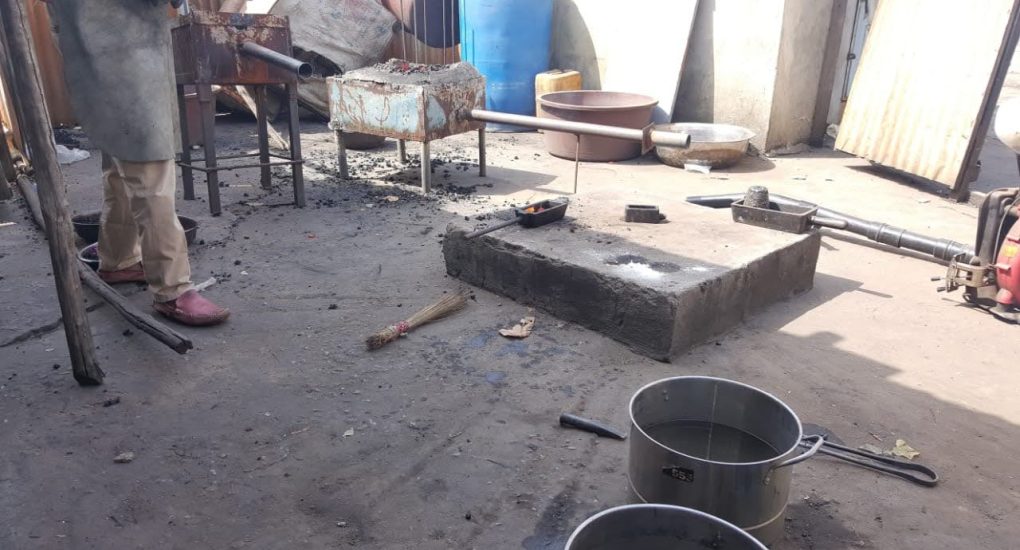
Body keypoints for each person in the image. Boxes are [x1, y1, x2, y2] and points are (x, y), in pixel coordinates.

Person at [47, 0, 229, 326]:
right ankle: (173, 290)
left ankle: (118, 260)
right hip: (121, 43)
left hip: (98, 39)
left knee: (120, 158)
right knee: (150, 168)